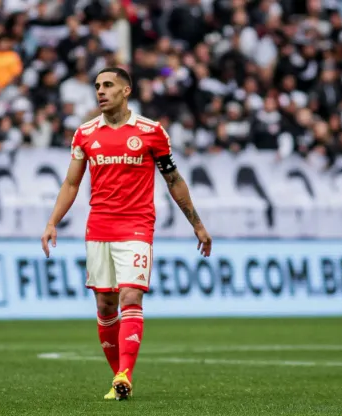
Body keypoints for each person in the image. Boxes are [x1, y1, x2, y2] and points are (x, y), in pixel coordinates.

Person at [40, 67, 213, 401]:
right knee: (105, 305)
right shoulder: (85, 133)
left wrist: (198, 224)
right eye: (97, 86)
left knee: (130, 296)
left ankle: (125, 374)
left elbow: (173, 179)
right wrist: (52, 222)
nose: (100, 91)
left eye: (108, 85)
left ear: (126, 91)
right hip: (99, 227)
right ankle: (118, 378)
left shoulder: (151, 132)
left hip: (136, 226)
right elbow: (72, 183)